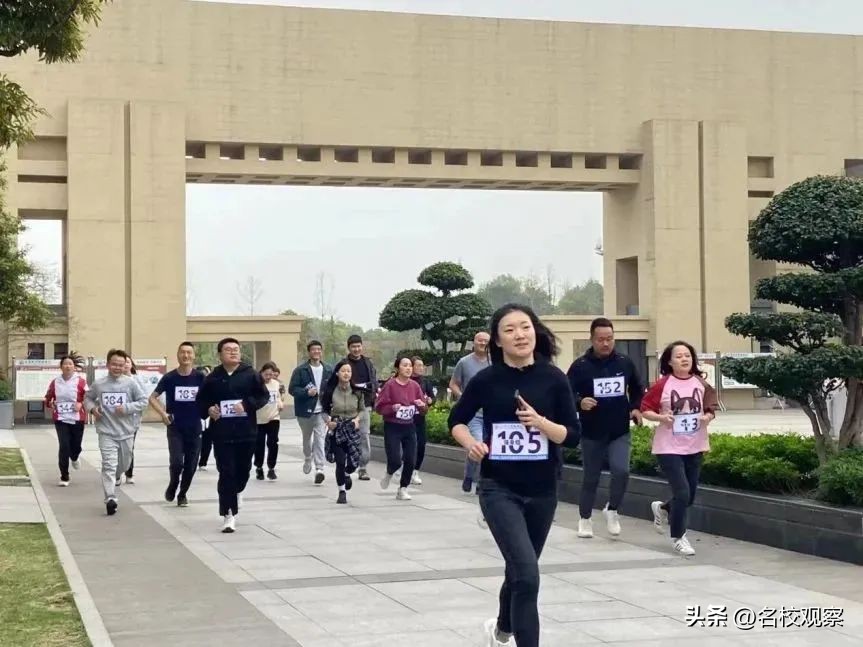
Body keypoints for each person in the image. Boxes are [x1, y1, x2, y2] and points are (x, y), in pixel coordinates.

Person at [448, 304, 580, 647]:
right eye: (509, 330)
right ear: (497, 340)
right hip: (498, 488)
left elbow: (572, 435)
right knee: (528, 575)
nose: (519, 335)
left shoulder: (554, 378)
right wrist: (472, 444)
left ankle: (502, 630)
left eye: (525, 327)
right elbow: (456, 421)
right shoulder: (486, 379)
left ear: (535, 331)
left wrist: (541, 423)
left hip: (543, 490)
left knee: (521, 571)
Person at [566, 317, 645, 538]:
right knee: (591, 477)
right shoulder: (580, 366)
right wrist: (579, 402)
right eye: (601, 339)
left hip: (619, 430)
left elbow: (638, 388)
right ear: (592, 339)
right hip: (592, 431)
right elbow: (566, 393)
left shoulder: (624, 362)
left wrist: (635, 408)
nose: (605, 343)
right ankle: (585, 518)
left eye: (609, 338)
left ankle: (612, 509)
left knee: (622, 471)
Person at [640, 340, 718, 557]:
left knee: (689, 496)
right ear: (670, 362)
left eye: (687, 355)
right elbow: (645, 409)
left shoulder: (701, 384)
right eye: (679, 356)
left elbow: (711, 407)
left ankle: (664, 508)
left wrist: (707, 417)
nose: (684, 359)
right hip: (668, 447)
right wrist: (661, 418)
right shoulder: (663, 384)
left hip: (695, 445)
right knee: (682, 492)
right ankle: (678, 537)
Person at [196, 338, 270, 533]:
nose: (233, 352)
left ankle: (237, 491)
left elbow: (263, 396)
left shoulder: (251, 374)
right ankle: (228, 514)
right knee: (226, 472)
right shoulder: (212, 377)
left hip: (246, 432)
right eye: (228, 349)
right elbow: (201, 401)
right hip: (222, 433)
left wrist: (246, 405)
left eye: (236, 349)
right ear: (220, 354)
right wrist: (209, 409)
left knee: (243, 471)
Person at [84, 349, 148, 516]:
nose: (117, 367)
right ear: (108, 364)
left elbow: (143, 401)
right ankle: (110, 498)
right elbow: (87, 398)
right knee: (108, 465)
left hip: (126, 432)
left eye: (120, 365)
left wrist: (127, 408)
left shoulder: (130, 383)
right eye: (114, 364)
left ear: (125, 365)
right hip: (106, 431)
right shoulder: (99, 384)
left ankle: (118, 475)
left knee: (125, 464)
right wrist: (93, 409)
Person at [148, 342, 205, 507]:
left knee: (191, 465)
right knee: (176, 462)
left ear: (193, 356)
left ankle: (182, 493)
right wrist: (163, 413)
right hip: (175, 427)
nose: (186, 355)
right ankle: (173, 483)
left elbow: (211, 395)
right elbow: (152, 397)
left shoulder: (200, 377)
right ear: (178, 355)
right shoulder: (170, 377)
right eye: (182, 352)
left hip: (195, 427)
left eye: (189, 352)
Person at [374, 356, 427, 500]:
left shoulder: (415, 386)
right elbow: (378, 407)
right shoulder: (390, 385)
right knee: (395, 460)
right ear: (398, 368)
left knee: (410, 459)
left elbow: (424, 409)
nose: (408, 368)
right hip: (393, 426)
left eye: (410, 365)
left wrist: (422, 406)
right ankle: (389, 472)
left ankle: (403, 488)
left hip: (409, 426)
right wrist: (392, 408)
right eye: (405, 365)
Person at [449, 331, 490, 494]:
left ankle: (470, 476)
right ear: (474, 342)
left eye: (486, 341)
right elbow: (453, 383)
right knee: (478, 444)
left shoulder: (494, 363)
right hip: (473, 414)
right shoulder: (464, 362)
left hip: (491, 413)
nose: (482, 343)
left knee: (488, 447)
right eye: (480, 340)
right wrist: (462, 397)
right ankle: (480, 481)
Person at [289, 341, 333, 484]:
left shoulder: (328, 369)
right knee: (307, 439)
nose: (316, 352)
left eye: (319, 349)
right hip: (305, 412)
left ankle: (319, 468)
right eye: (313, 349)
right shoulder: (300, 370)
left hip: (321, 411)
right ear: (309, 352)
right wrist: (306, 392)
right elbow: (292, 389)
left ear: (321, 351)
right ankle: (308, 457)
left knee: (320, 439)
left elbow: (333, 388)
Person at [320, 362, 364, 504]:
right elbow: (324, 411)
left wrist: (357, 419)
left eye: (349, 371)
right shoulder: (330, 391)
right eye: (343, 371)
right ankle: (342, 491)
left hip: (352, 428)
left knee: (353, 462)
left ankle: (347, 472)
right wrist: (328, 422)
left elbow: (362, 410)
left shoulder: (357, 392)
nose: (346, 373)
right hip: (337, 428)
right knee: (340, 461)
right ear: (337, 373)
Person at [44, 353, 88, 487]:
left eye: (70, 364)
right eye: (65, 364)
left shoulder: (81, 381)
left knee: (75, 446)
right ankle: (64, 475)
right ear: (61, 367)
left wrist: (81, 404)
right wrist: (51, 404)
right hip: (61, 418)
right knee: (64, 446)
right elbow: (48, 398)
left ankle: (74, 457)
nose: (68, 366)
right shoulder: (55, 382)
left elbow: (89, 397)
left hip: (77, 418)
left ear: (74, 367)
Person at [344, 335, 377, 480]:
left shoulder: (368, 363)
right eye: (353, 347)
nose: (356, 349)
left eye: (358, 346)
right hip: (347, 405)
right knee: (347, 436)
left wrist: (372, 394)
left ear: (362, 347)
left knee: (364, 435)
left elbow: (374, 382)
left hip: (365, 405)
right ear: (349, 348)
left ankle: (363, 468)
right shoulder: (343, 364)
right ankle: (347, 465)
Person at [255, 362, 284, 481]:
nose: (268, 377)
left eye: (271, 374)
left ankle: (271, 468)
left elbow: (278, 397)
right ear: (261, 373)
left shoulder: (276, 384)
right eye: (266, 374)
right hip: (259, 419)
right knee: (259, 444)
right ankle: (259, 467)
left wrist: (280, 403)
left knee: (273, 443)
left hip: (274, 417)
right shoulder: (256, 384)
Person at [409, 356, 435, 486]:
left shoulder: (425, 382)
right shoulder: (406, 381)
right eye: (418, 365)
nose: (421, 368)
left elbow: (432, 397)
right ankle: (405, 467)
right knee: (409, 445)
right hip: (407, 419)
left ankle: (415, 471)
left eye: (422, 365)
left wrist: (430, 401)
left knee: (421, 444)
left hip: (420, 417)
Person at [122, 356, 142, 484]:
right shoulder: (114, 380)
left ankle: (129, 473)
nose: (125, 364)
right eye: (123, 362)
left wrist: (129, 407)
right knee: (117, 448)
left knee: (129, 447)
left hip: (132, 421)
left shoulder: (137, 380)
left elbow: (143, 399)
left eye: (128, 362)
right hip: (115, 421)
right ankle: (117, 473)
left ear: (131, 365)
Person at [198, 365, 214, 470]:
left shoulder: (211, 387)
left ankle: (203, 462)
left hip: (208, 419)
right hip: (195, 418)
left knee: (207, 442)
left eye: (205, 374)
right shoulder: (193, 387)